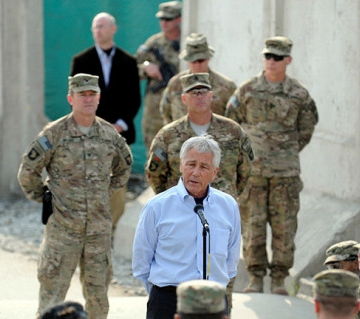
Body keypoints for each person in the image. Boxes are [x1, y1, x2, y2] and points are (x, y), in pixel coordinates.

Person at [17, 73, 132, 319]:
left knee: (98, 300)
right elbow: (28, 171)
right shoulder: (54, 134)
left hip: (98, 234)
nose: (88, 99)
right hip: (63, 232)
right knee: (52, 298)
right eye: (82, 95)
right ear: (71, 98)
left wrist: (104, 193)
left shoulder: (109, 135)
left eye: (92, 94)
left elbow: (124, 167)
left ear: (99, 98)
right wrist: (47, 198)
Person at [145, 73, 253, 312]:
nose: (200, 97)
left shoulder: (233, 131)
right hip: (179, 218)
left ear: (212, 96)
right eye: (194, 93)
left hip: (219, 216)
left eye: (204, 92)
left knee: (221, 288)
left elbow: (245, 170)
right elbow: (155, 173)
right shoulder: (168, 135)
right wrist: (174, 202)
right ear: (184, 98)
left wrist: (229, 198)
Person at [225, 36, 319, 294]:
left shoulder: (298, 94)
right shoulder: (246, 90)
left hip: (285, 174)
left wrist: (284, 150)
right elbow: (232, 124)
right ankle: (255, 278)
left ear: (288, 60)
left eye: (277, 57)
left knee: (284, 227)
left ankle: (279, 279)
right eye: (268, 56)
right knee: (253, 226)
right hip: (253, 174)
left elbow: (307, 128)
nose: (271, 61)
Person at [133, 135, 242, 319]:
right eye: (191, 164)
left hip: (213, 302)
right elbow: (141, 262)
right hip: (167, 302)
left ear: (215, 172)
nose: (195, 172)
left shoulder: (228, 206)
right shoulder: (157, 207)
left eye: (204, 167)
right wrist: (162, 294)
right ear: (181, 165)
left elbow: (231, 262)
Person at [69, 12, 141, 232]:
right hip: (89, 133)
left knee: (117, 185)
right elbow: (77, 98)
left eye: (102, 26)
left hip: (119, 133)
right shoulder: (81, 61)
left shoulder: (129, 62)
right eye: (95, 27)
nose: (98, 31)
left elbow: (134, 97)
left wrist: (120, 123)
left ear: (113, 29)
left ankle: (112, 229)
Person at [160, 33, 236, 124]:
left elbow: (234, 118)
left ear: (208, 58)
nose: (197, 65)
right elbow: (166, 113)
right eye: (193, 61)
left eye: (201, 60)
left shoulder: (226, 86)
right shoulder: (175, 84)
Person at [136, 1, 182, 151]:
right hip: (155, 109)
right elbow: (132, 69)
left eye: (168, 19)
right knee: (154, 150)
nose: (164, 23)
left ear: (178, 19)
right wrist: (145, 67)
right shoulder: (153, 44)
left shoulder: (187, 43)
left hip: (179, 106)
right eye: (161, 19)